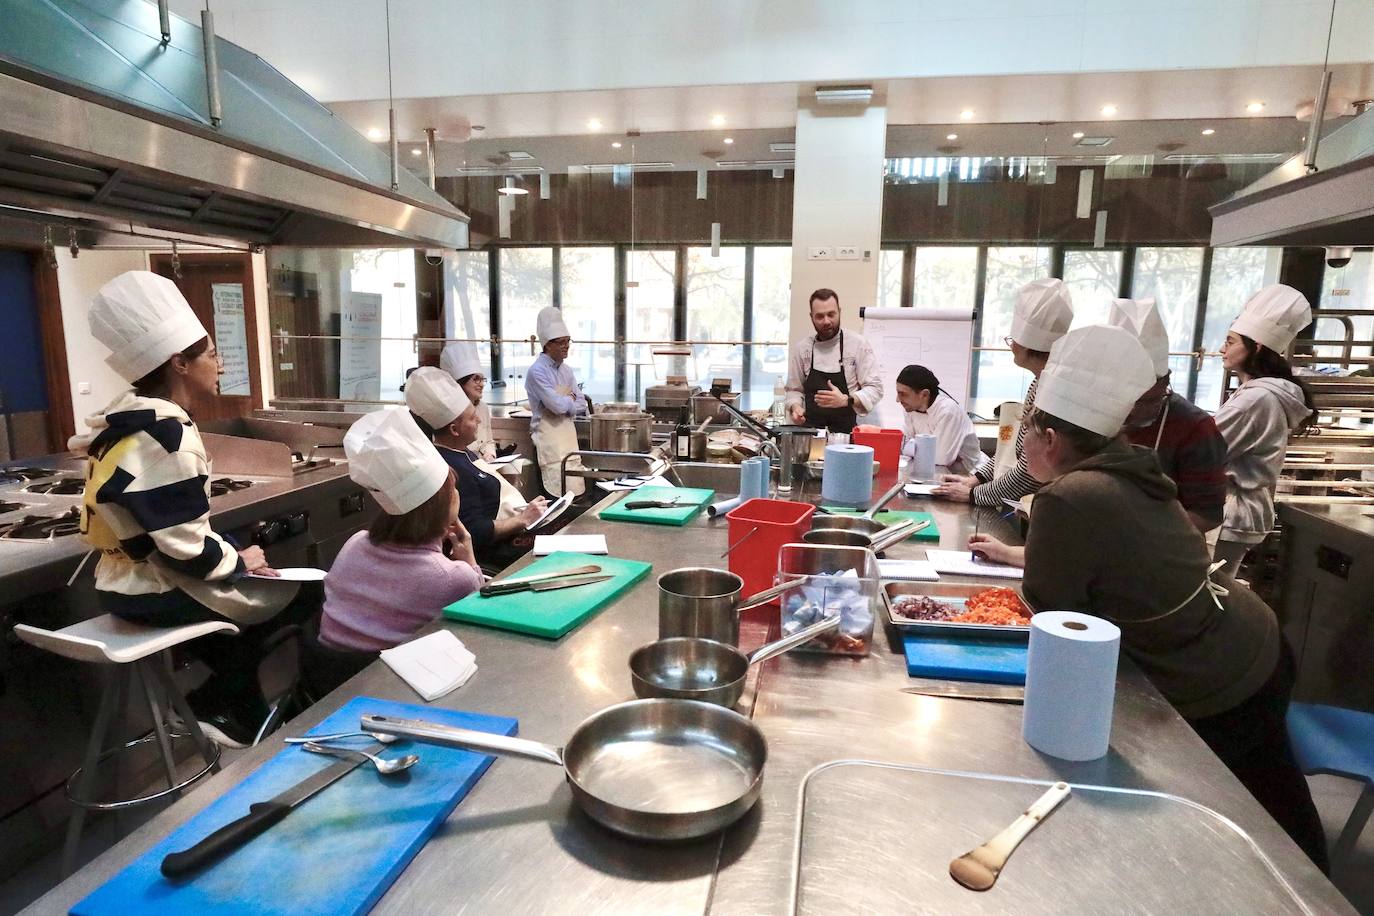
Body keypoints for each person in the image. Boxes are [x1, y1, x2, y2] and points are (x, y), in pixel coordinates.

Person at [966, 324, 1329, 873]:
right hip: (1251, 637)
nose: (1026, 447)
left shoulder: (1069, 495)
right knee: (1280, 798)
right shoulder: (1128, 464)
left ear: (1051, 441)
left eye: (1031, 432)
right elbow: (1115, 565)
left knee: (1270, 831)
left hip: (1221, 671)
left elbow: (1054, 626)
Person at [79, 271, 317, 748]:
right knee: (308, 596)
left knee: (238, 603)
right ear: (179, 364)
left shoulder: (125, 425)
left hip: (116, 583)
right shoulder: (169, 436)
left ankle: (244, 707)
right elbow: (181, 543)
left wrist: (229, 556)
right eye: (211, 354)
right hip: (151, 589)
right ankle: (223, 703)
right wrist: (238, 560)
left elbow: (164, 528)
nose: (221, 364)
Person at [319, 408, 482, 652]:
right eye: (452, 490)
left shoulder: (355, 542)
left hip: (326, 677)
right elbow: (479, 622)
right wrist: (470, 561)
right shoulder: (453, 577)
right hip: (393, 682)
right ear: (443, 507)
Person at [933, 278, 1072, 507]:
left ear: (1027, 345)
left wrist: (974, 495)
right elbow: (1013, 453)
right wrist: (976, 480)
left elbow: (1029, 471)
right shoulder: (1039, 383)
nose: (1010, 345)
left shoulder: (1053, 393)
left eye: (1012, 339)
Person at [1213, 285, 1317, 577]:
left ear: (1256, 347)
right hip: (1239, 509)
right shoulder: (1256, 392)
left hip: (1232, 510)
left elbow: (1206, 448)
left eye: (1230, 341)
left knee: (1209, 596)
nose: (1222, 348)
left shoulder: (1256, 398)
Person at [1106, 297, 1227, 534]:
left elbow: (1207, 514)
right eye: (1123, 400)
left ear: (1166, 382)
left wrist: (1140, 535)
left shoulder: (1195, 428)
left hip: (1162, 554)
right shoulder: (1091, 415)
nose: (1132, 411)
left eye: (1146, 401)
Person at [406, 367, 546, 571]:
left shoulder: (463, 453)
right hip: (495, 553)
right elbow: (475, 530)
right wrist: (523, 519)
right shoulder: (449, 468)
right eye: (472, 418)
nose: (479, 420)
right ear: (454, 430)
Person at [783, 288, 883, 434]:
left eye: (831, 314)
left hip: (846, 435)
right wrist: (795, 407)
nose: (826, 321)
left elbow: (875, 388)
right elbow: (794, 390)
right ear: (811, 317)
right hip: (809, 434)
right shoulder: (802, 349)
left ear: (839, 312)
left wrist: (846, 400)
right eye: (820, 316)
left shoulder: (857, 345)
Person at [525, 306, 590, 497]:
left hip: (569, 444)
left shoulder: (567, 371)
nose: (566, 346)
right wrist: (567, 401)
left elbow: (581, 404)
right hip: (549, 445)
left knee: (575, 498)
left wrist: (565, 403)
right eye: (561, 342)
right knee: (554, 502)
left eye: (568, 341)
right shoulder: (537, 372)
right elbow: (557, 406)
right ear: (547, 344)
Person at [894, 364, 985, 476]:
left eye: (903, 394)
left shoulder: (948, 411)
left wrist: (913, 449)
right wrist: (915, 449)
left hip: (970, 474)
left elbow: (941, 459)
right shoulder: (910, 408)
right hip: (938, 473)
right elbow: (905, 447)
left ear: (924, 394)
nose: (898, 400)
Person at [441, 340, 497, 461]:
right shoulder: (450, 412)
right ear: (460, 383)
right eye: (476, 379)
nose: (481, 384)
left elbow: (488, 441)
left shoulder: (482, 407)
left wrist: (490, 455)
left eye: (483, 379)